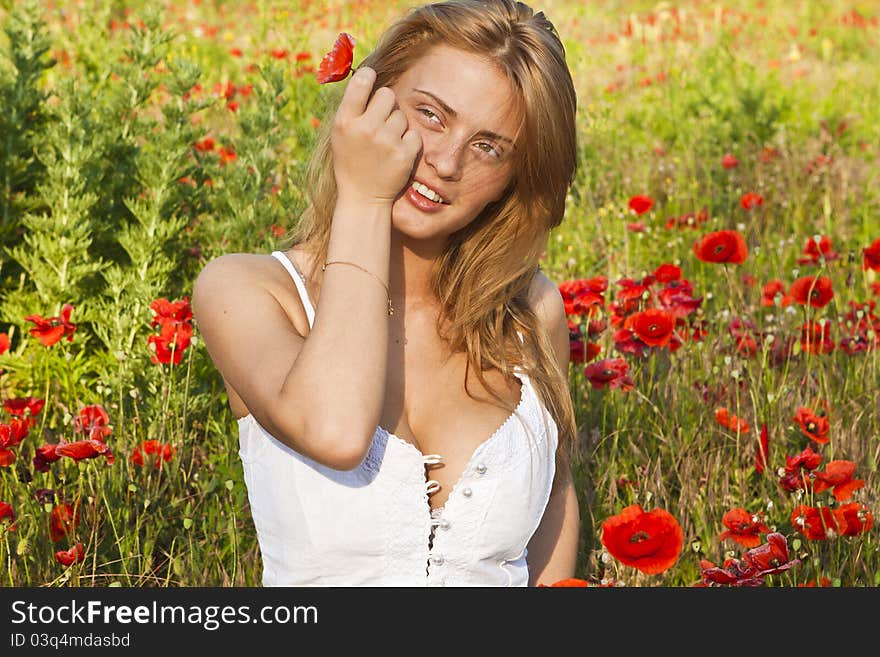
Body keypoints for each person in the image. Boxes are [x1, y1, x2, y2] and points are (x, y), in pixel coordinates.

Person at [192, 0, 581, 586]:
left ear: (515, 178)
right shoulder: (247, 291)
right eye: (430, 114)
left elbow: (553, 511)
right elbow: (336, 432)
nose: (446, 162)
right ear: (369, 101)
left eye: (488, 146)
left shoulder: (528, 314)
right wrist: (365, 199)